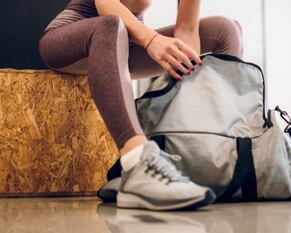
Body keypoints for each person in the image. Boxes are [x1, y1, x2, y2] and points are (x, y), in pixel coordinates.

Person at [38, 0, 243, 210]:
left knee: (225, 30)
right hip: (71, 40)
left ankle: (219, 153)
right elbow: (105, 6)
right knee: (111, 24)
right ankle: (136, 162)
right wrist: (152, 39)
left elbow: (187, 30)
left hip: (126, 44)